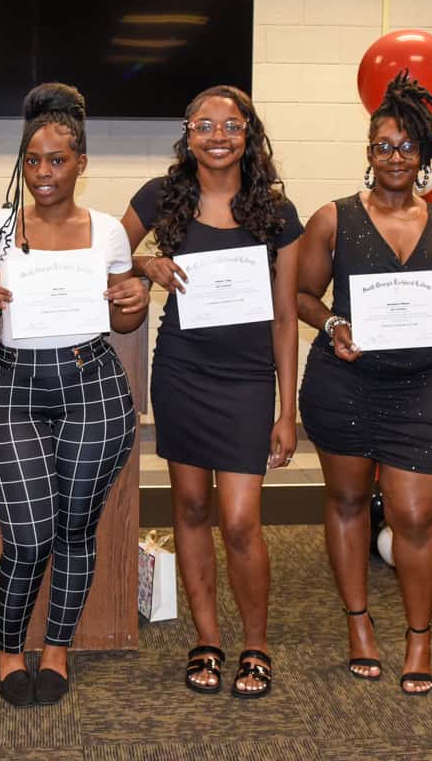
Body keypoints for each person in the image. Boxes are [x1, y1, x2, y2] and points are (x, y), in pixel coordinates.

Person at [120, 85, 301, 699]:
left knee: (242, 520)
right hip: (182, 371)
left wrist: (288, 409)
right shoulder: (161, 196)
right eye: (205, 124)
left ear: (249, 133)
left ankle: (257, 643)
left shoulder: (277, 213)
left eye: (232, 125)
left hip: (249, 381)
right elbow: (104, 254)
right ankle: (208, 638)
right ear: (188, 131)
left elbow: (284, 316)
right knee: (191, 510)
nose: (218, 135)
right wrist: (146, 265)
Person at [295, 72, 432, 696]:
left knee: (415, 514)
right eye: (382, 145)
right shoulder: (333, 218)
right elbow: (300, 294)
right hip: (343, 382)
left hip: (418, 385)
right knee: (346, 503)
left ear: (424, 155)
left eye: (406, 146)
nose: (394, 156)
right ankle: (359, 625)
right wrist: (335, 321)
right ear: (369, 152)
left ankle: (419, 638)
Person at [0, 82, 147, 707]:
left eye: (58, 160)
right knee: (26, 536)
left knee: (75, 529)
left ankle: (58, 647)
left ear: (81, 164)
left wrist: (134, 301)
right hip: (15, 387)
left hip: (92, 386)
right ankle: (9, 646)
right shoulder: (1, 226)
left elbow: (124, 319)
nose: (43, 173)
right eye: (33, 159)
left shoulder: (106, 233)